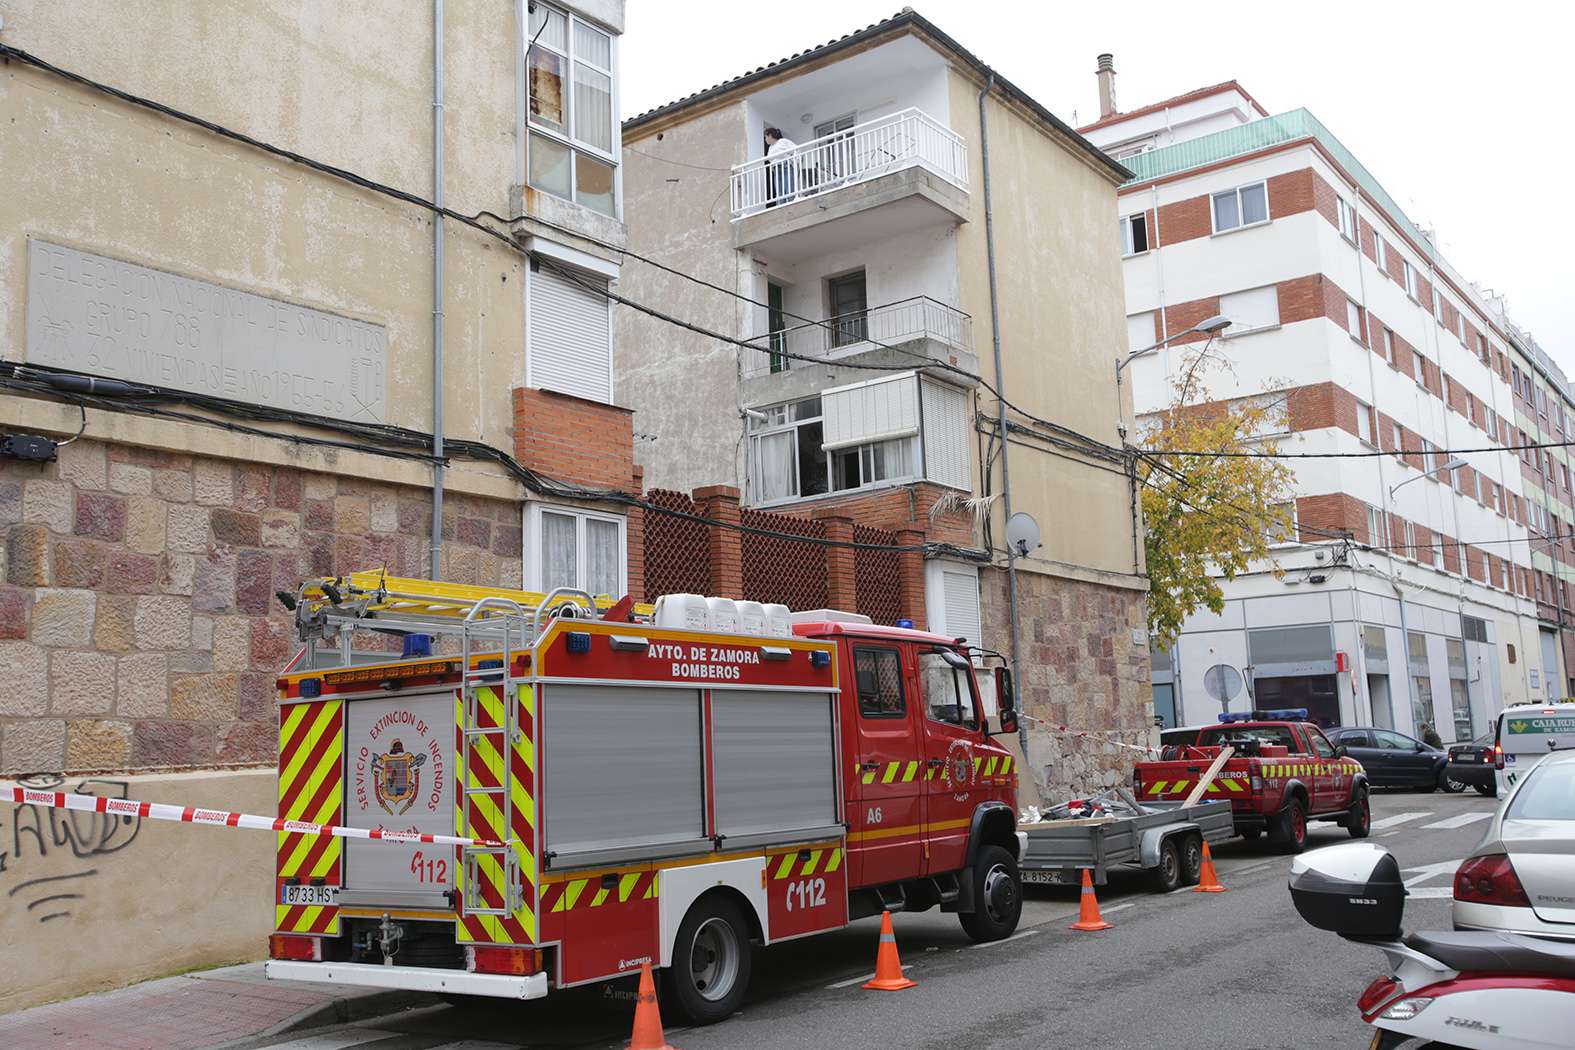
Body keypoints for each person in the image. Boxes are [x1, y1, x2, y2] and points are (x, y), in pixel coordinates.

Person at [764, 126, 798, 205]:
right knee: (780, 194)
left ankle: (792, 207)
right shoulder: (770, 148)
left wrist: (795, 163)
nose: (765, 139)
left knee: (789, 190)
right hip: (776, 170)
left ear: (770, 135)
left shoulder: (783, 141)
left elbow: (797, 149)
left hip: (786, 168)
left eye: (766, 137)